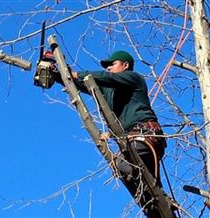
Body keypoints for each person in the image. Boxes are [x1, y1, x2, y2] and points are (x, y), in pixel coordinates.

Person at [52, 50, 169, 217]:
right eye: (106, 66)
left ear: (125, 65)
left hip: (145, 136)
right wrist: (58, 73)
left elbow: (105, 78)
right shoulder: (108, 90)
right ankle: (161, 209)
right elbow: (81, 83)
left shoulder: (133, 78)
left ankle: (160, 201)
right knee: (147, 196)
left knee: (121, 164)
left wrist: (78, 73)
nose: (108, 69)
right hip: (132, 141)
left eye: (112, 65)